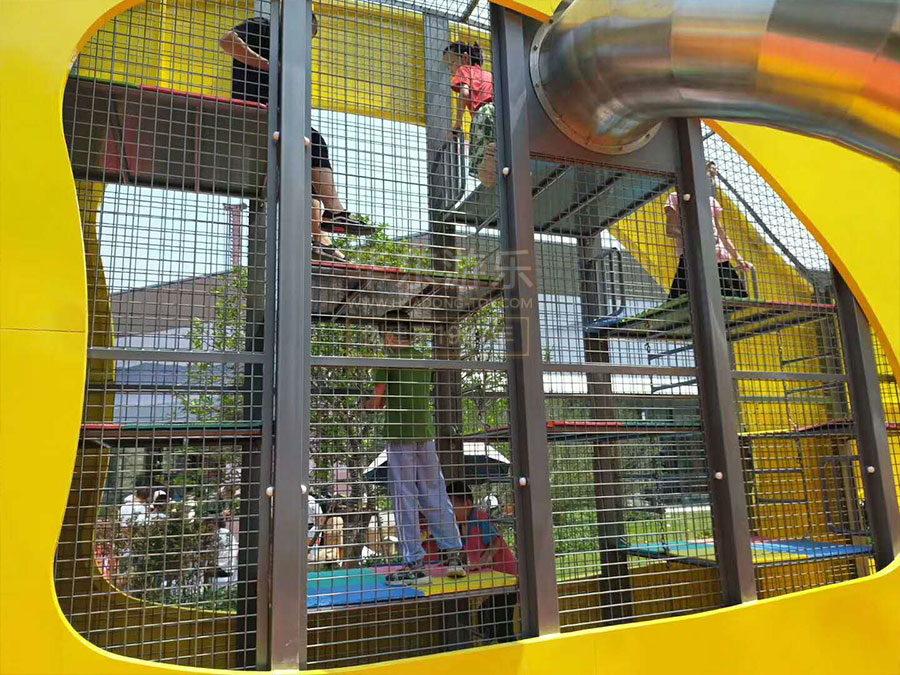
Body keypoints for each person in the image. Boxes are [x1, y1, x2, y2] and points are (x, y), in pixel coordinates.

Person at [219, 12, 365, 260]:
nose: (306, 43)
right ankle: (335, 213)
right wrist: (269, 66)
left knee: (307, 165)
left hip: (279, 119)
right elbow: (227, 41)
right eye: (307, 35)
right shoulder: (263, 27)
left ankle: (321, 241)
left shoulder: (292, 54)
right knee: (314, 142)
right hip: (253, 113)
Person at [365, 310, 465, 585]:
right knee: (435, 492)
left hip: (400, 436)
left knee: (404, 496)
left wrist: (367, 403)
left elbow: (377, 402)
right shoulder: (423, 361)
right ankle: (454, 555)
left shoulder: (388, 361)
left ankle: (414, 564)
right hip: (425, 435)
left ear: (390, 336)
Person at [664, 161, 753, 300]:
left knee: (738, 301)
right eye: (708, 174)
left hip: (719, 258)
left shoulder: (711, 201)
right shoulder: (676, 197)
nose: (710, 179)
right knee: (682, 301)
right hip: (692, 256)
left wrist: (739, 258)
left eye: (712, 176)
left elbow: (721, 232)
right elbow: (670, 229)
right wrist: (696, 238)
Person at [447, 481, 517, 643]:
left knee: (500, 626)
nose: (449, 513)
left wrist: (482, 560)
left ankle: (501, 648)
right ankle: (489, 645)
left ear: (467, 504)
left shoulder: (480, 517)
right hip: (492, 582)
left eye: (452, 508)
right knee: (485, 617)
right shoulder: (460, 525)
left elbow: (496, 541)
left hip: (506, 579)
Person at [443, 41, 496, 187]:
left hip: (483, 114)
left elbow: (464, 93)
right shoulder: (489, 74)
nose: (452, 70)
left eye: (452, 63)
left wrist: (457, 124)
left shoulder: (464, 69)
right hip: (499, 113)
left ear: (465, 58)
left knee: (478, 163)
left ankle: (489, 167)